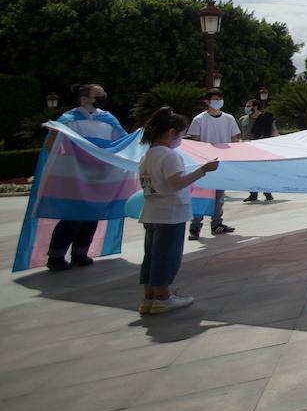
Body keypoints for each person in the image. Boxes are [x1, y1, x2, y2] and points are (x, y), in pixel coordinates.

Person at [136, 107, 219, 314]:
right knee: (166, 256)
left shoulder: (147, 156)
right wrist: (203, 170)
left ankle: (149, 297)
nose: (181, 140)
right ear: (172, 132)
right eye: (181, 135)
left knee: (152, 256)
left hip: (152, 211)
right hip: (169, 214)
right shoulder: (170, 156)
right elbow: (175, 184)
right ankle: (163, 297)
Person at [45, 83, 128, 270]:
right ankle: (56, 256)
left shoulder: (109, 119)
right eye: (98, 95)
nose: (103, 97)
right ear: (83, 99)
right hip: (75, 176)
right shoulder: (68, 120)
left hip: (99, 176)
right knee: (72, 217)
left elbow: (123, 141)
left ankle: (80, 253)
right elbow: (51, 145)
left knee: (92, 215)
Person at [186, 88, 238, 240]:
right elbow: (194, 142)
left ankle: (217, 224)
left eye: (219, 99)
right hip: (204, 163)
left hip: (222, 162)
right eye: (214, 99)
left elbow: (235, 139)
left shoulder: (229, 119)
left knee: (219, 196)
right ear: (207, 102)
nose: (218, 102)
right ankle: (195, 227)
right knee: (201, 195)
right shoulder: (199, 120)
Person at [240, 100, 275, 203]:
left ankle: (267, 193)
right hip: (247, 149)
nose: (246, 108)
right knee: (249, 173)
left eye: (248, 106)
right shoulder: (242, 119)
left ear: (255, 107)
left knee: (264, 172)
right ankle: (253, 194)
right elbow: (239, 134)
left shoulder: (267, 119)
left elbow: (273, 132)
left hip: (262, 149)